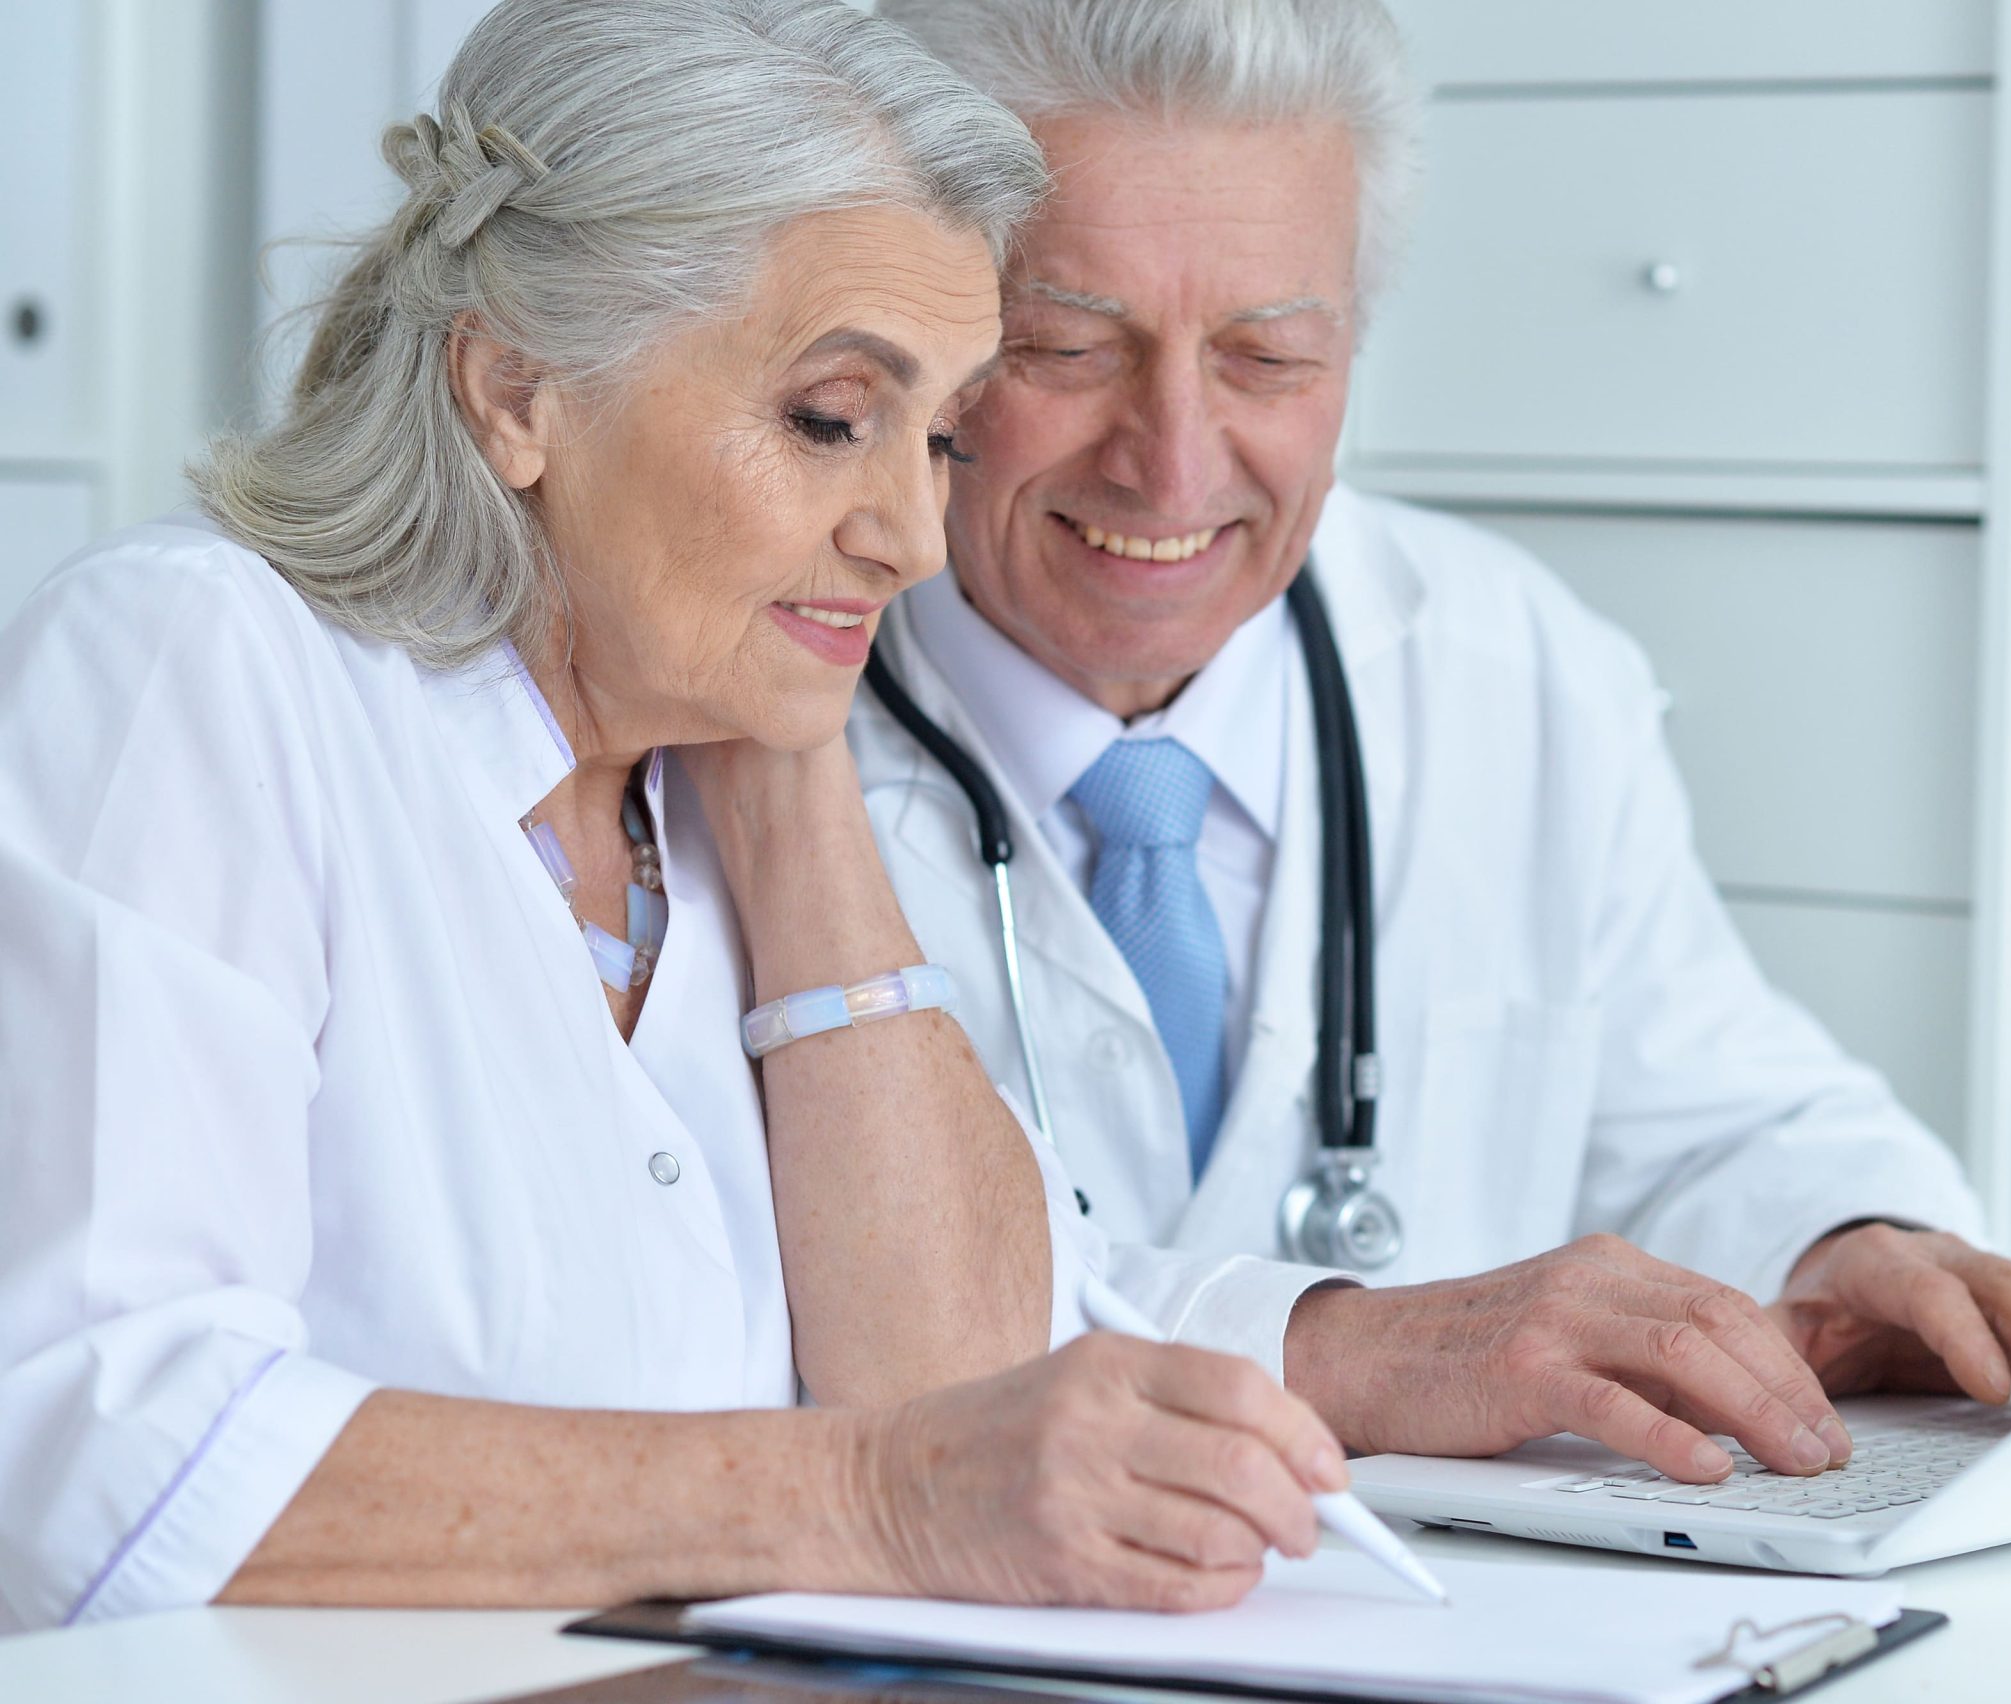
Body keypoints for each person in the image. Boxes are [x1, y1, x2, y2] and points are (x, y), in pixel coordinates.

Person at [0, 0, 1349, 1633]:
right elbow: (91, 1454)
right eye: (829, 423)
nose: (916, 537)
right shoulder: (197, 669)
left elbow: (970, 1393)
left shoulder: (707, 775)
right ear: (514, 391)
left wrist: (790, 767)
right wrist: (861, 1497)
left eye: (938, 439)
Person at [857, 0, 2011, 1488]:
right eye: (1066, 347)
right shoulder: (743, 718)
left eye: (1271, 358)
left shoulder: (1503, 657)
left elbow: (1713, 1109)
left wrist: (1856, 1242)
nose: (1176, 459)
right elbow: (762, 1300)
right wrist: (1336, 1352)